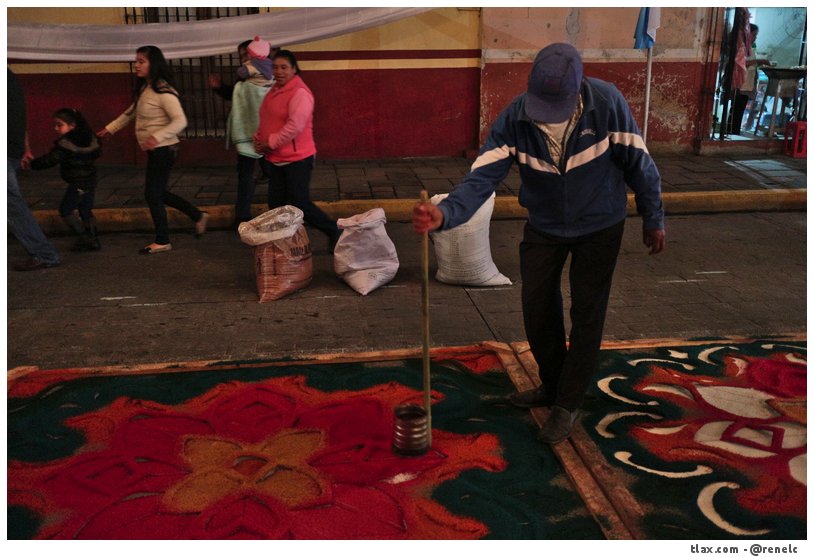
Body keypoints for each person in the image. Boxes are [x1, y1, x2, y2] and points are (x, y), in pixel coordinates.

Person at [412, 43, 666, 444]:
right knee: (537, 305)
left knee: (587, 312)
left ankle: (567, 402)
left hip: (600, 224)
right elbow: (482, 176)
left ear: (579, 88)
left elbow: (640, 163)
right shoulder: (516, 116)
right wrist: (447, 214)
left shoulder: (607, 103)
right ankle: (552, 384)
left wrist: (654, 217)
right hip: (545, 225)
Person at [98, 45, 208, 254]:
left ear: (153, 64)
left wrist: (157, 137)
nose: (136, 65)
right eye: (136, 61)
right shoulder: (145, 88)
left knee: (153, 194)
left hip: (165, 149)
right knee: (158, 193)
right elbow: (131, 112)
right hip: (157, 150)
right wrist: (110, 129)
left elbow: (180, 121)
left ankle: (163, 239)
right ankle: (198, 216)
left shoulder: (163, 91)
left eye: (142, 61)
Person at [253, 49, 340, 250]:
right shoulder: (274, 90)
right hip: (276, 158)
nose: (279, 71)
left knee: (299, 203)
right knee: (276, 205)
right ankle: (283, 244)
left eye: (284, 67)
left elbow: (295, 126)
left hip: (297, 158)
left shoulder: (300, 93)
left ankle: (332, 230)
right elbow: (266, 118)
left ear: (294, 69)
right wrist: (258, 138)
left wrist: (270, 142)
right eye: (275, 67)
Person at [209, 39, 276, 226]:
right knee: (256, 172)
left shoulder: (266, 76)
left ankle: (247, 214)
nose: (244, 59)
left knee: (253, 173)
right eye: (242, 56)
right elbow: (234, 93)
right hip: (262, 133)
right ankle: (245, 213)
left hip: (253, 132)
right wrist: (219, 87)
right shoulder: (259, 77)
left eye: (246, 55)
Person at [7, 67, 61, 271]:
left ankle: (44, 253)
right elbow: (19, 114)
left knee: (11, 204)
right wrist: (25, 145)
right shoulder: (10, 77)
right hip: (12, 147)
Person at [29, 108, 102, 251]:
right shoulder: (89, 139)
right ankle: (93, 238)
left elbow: (50, 160)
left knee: (66, 209)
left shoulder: (66, 145)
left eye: (59, 125)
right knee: (85, 210)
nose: (55, 128)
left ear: (72, 125)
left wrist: (32, 164)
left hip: (77, 182)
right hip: (91, 180)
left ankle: (86, 238)